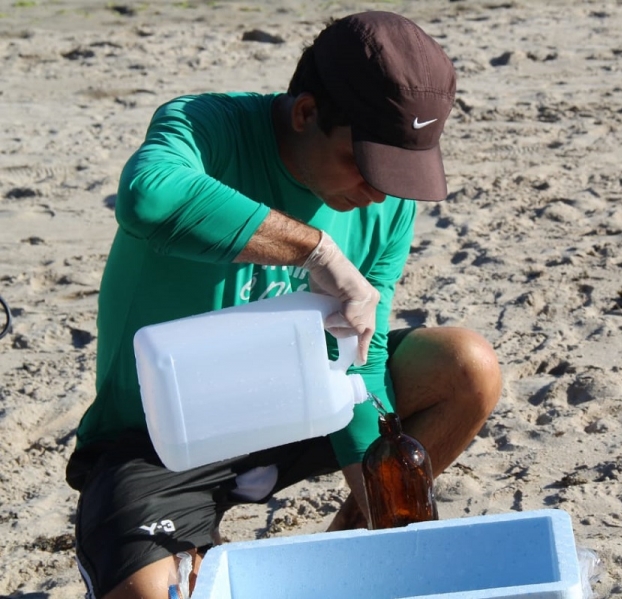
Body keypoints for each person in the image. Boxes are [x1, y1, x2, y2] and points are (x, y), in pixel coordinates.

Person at [65, 11, 502, 599]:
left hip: (303, 410)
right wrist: (316, 251)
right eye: (365, 163)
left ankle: (351, 553)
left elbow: (360, 363)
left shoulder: (387, 204)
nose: (379, 191)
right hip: (159, 440)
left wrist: (390, 540)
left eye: (397, 171)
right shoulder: (206, 127)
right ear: (305, 113)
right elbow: (148, 199)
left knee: (465, 365)